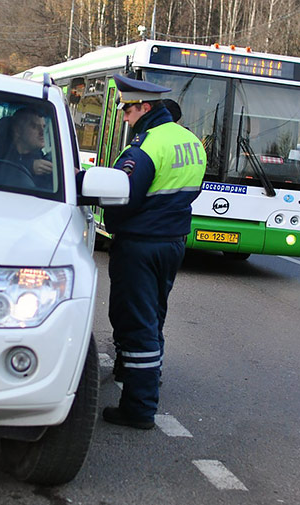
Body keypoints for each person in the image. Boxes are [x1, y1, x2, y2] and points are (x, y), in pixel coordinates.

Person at [95, 74, 207, 430]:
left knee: (135, 321)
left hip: (140, 244)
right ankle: (145, 377)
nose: (125, 118)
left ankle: (139, 407)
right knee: (153, 316)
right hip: (172, 242)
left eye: (127, 110)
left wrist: (108, 218)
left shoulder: (145, 146)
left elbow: (121, 196)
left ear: (143, 107)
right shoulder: (191, 141)